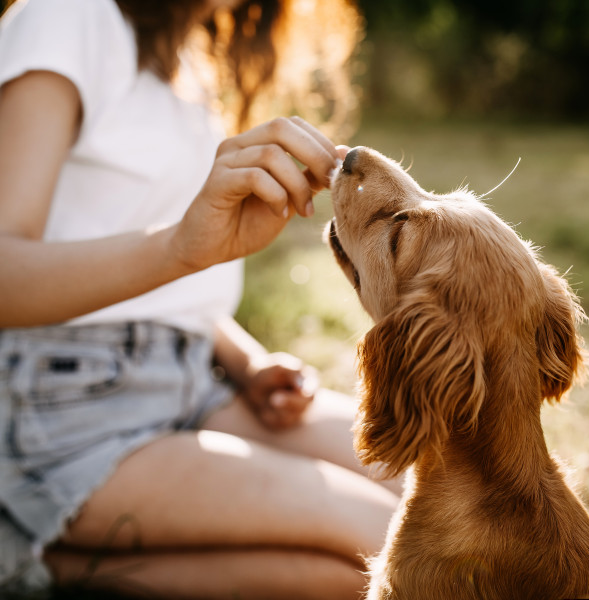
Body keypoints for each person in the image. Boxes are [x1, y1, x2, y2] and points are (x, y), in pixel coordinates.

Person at [0, 0, 399, 598]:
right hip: (60, 406)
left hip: (194, 381)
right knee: (389, 543)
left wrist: (245, 361)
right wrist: (181, 247)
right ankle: (34, 541)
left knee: (442, 489)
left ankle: (50, 557)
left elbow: (155, 289)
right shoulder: (68, 15)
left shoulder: (193, 55)